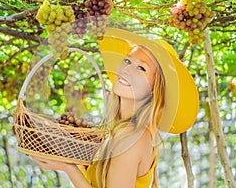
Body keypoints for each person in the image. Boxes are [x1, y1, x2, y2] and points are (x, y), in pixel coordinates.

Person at [30, 28, 199, 188]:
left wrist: (68, 168)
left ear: (155, 89)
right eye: (127, 61)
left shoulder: (134, 138)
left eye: (141, 68)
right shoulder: (119, 131)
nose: (126, 69)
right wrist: (76, 162)